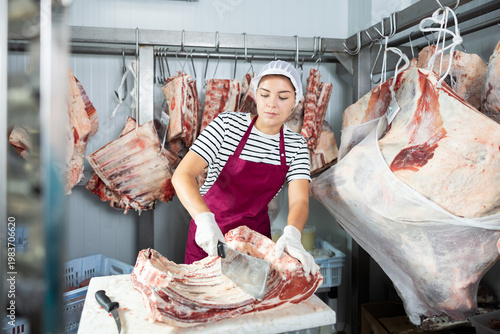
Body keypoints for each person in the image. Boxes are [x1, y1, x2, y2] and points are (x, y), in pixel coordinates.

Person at [172, 60, 318, 275]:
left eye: (283, 97)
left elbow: (300, 200)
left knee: (252, 304)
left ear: (296, 101)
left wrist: (293, 234)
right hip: (210, 234)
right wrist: (203, 220)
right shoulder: (227, 125)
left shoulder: (295, 145)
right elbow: (182, 175)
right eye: (265, 94)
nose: (272, 103)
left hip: (256, 242)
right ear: (255, 95)